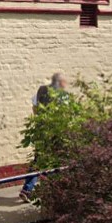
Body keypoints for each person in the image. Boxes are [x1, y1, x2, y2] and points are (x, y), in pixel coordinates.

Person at [20, 72, 68, 202]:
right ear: (59, 82)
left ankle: (27, 189)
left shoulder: (41, 90)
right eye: (64, 82)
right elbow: (65, 114)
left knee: (38, 160)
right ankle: (51, 191)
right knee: (55, 160)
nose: (66, 85)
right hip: (54, 131)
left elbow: (34, 107)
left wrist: (40, 120)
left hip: (41, 130)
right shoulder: (63, 96)